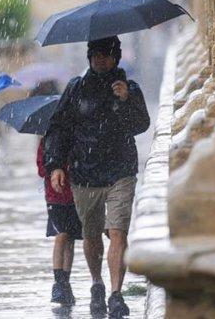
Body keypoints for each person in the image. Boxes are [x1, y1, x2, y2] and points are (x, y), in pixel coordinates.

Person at [43, 36, 150, 318]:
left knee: (118, 231)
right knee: (91, 235)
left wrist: (126, 99)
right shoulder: (76, 89)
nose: (100, 58)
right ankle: (97, 284)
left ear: (116, 57)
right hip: (85, 174)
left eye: (106, 54)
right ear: (89, 57)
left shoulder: (129, 89)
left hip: (121, 173)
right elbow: (58, 128)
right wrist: (55, 165)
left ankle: (116, 293)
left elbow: (142, 124)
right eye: (95, 54)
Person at [37, 137, 81, 305]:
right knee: (61, 234)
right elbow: (41, 168)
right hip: (55, 197)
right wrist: (55, 169)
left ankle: (65, 281)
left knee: (70, 238)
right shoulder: (48, 141)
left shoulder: (75, 138)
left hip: (74, 195)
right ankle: (58, 282)